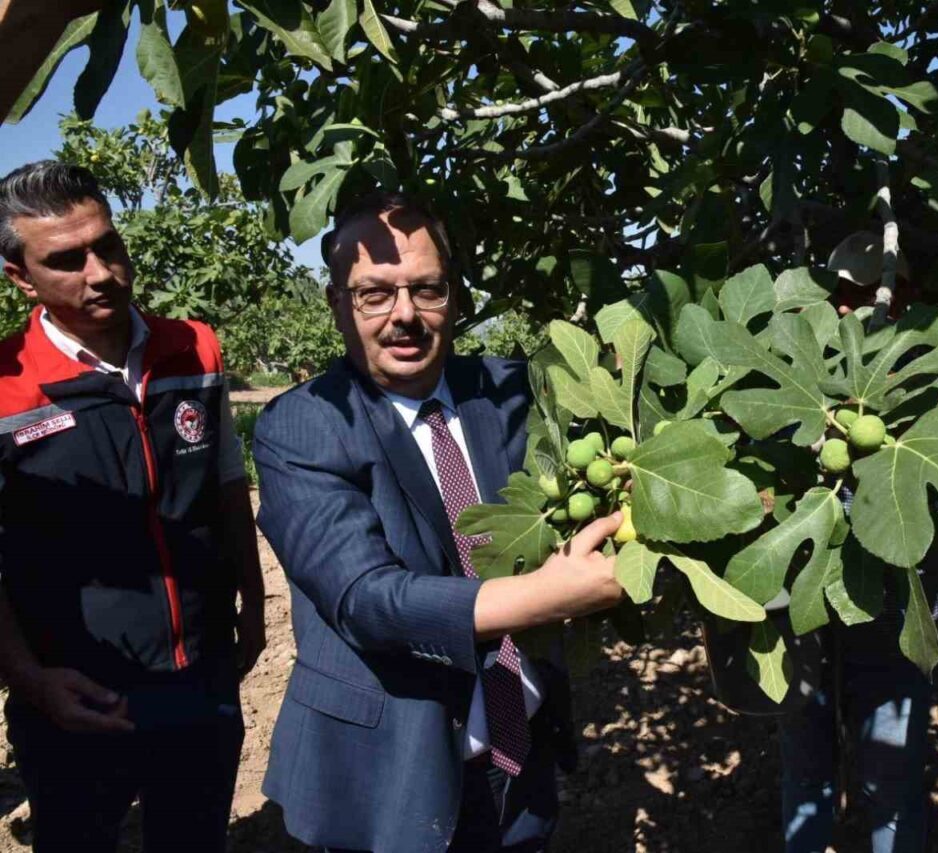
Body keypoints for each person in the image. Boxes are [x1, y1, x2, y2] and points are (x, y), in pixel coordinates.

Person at [253, 191, 625, 853]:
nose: (405, 315)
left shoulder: (512, 391)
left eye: (426, 289)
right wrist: (548, 596)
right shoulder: (303, 424)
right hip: (388, 780)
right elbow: (367, 599)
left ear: (455, 297)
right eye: (375, 293)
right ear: (337, 302)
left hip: (520, 756)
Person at [0, 160, 265, 852]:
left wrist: (253, 604)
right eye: (66, 260)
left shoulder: (193, 348)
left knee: (193, 835)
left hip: (199, 673)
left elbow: (227, 484)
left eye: (107, 245)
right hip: (75, 692)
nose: (101, 272)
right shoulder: (7, 391)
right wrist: (28, 679)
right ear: (21, 278)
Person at [776, 231, 935, 853]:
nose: (845, 310)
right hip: (805, 590)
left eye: (863, 295)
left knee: (889, 761)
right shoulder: (803, 376)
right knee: (803, 747)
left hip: (890, 593)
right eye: (838, 296)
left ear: (898, 299)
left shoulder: (928, 385)